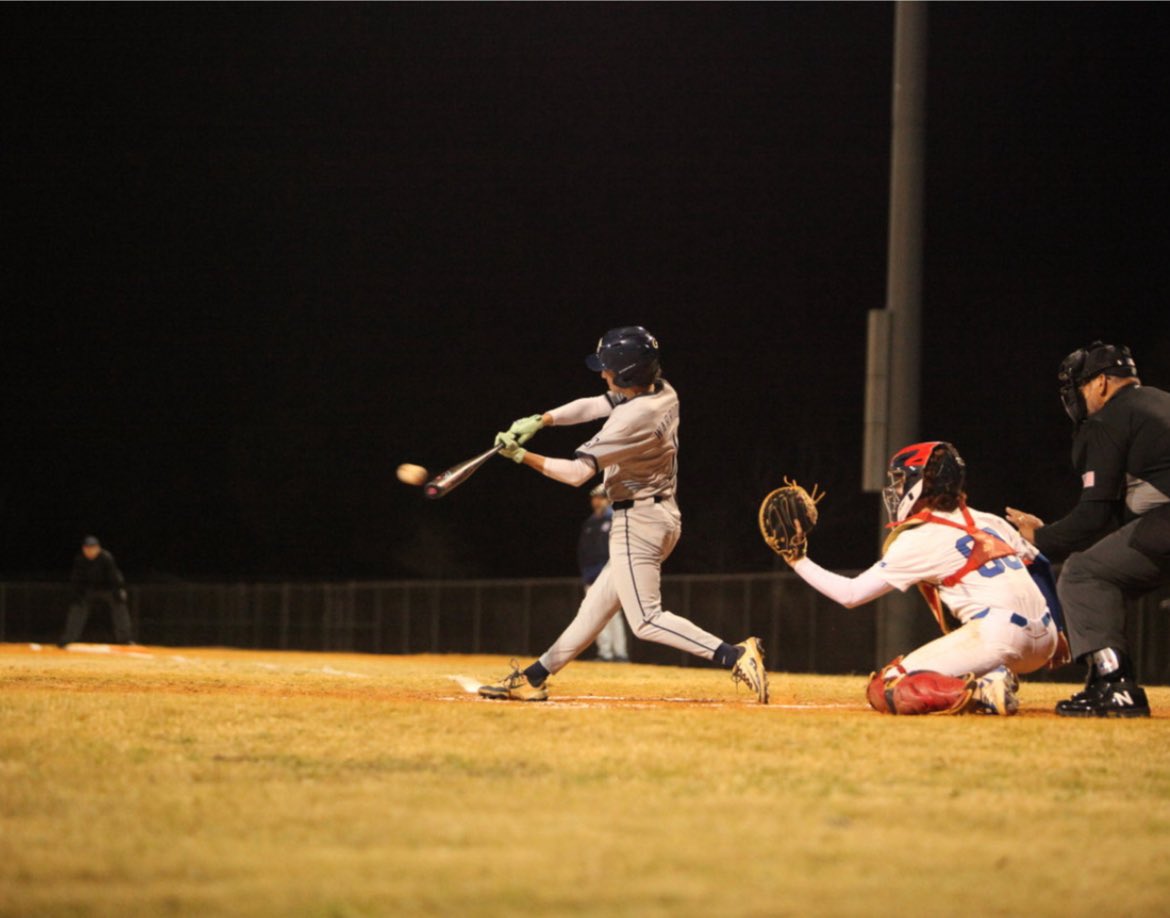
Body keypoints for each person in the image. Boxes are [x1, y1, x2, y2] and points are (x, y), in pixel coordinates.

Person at [478, 326, 768, 703]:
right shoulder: (663, 391)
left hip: (637, 523)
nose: (603, 374)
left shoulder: (634, 420)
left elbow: (577, 474)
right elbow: (595, 404)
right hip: (660, 515)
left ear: (629, 374)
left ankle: (734, 654)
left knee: (646, 620)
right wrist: (543, 419)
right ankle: (534, 677)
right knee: (594, 609)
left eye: (609, 369)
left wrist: (521, 457)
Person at [777, 441, 1059, 715]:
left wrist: (796, 560)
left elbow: (851, 594)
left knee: (888, 685)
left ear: (920, 482)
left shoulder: (921, 536)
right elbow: (1040, 565)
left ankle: (984, 687)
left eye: (901, 480)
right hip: (1045, 640)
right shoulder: (990, 520)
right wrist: (1057, 630)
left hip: (1000, 637)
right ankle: (995, 673)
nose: (896, 488)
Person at [1006, 341, 1170, 718]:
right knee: (1105, 571)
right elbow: (1119, 520)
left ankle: (1114, 685)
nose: (1076, 398)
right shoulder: (1157, 403)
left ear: (1099, 384)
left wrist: (1038, 539)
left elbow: (1095, 516)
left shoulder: (1112, 416)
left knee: (1083, 575)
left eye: (1078, 387)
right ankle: (1105, 681)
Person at [578, 483, 629, 662]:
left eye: (600, 497)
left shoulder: (615, 519)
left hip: (610, 573)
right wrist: (585, 572)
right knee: (595, 614)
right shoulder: (590, 523)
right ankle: (605, 652)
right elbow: (583, 551)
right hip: (591, 575)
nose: (596, 501)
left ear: (608, 499)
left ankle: (620, 653)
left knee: (614, 613)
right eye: (594, 497)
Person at [58, 535, 135, 647]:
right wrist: (77, 594)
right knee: (77, 606)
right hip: (89, 590)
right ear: (83, 549)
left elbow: (114, 576)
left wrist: (119, 590)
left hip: (107, 589)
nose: (90, 551)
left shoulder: (106, 557)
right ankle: (68, 639)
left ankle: (125, 639)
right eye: (87, 548)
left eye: (93, 548)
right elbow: (76, 579)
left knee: (119, 604)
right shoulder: (80, 559)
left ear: (98, 548)